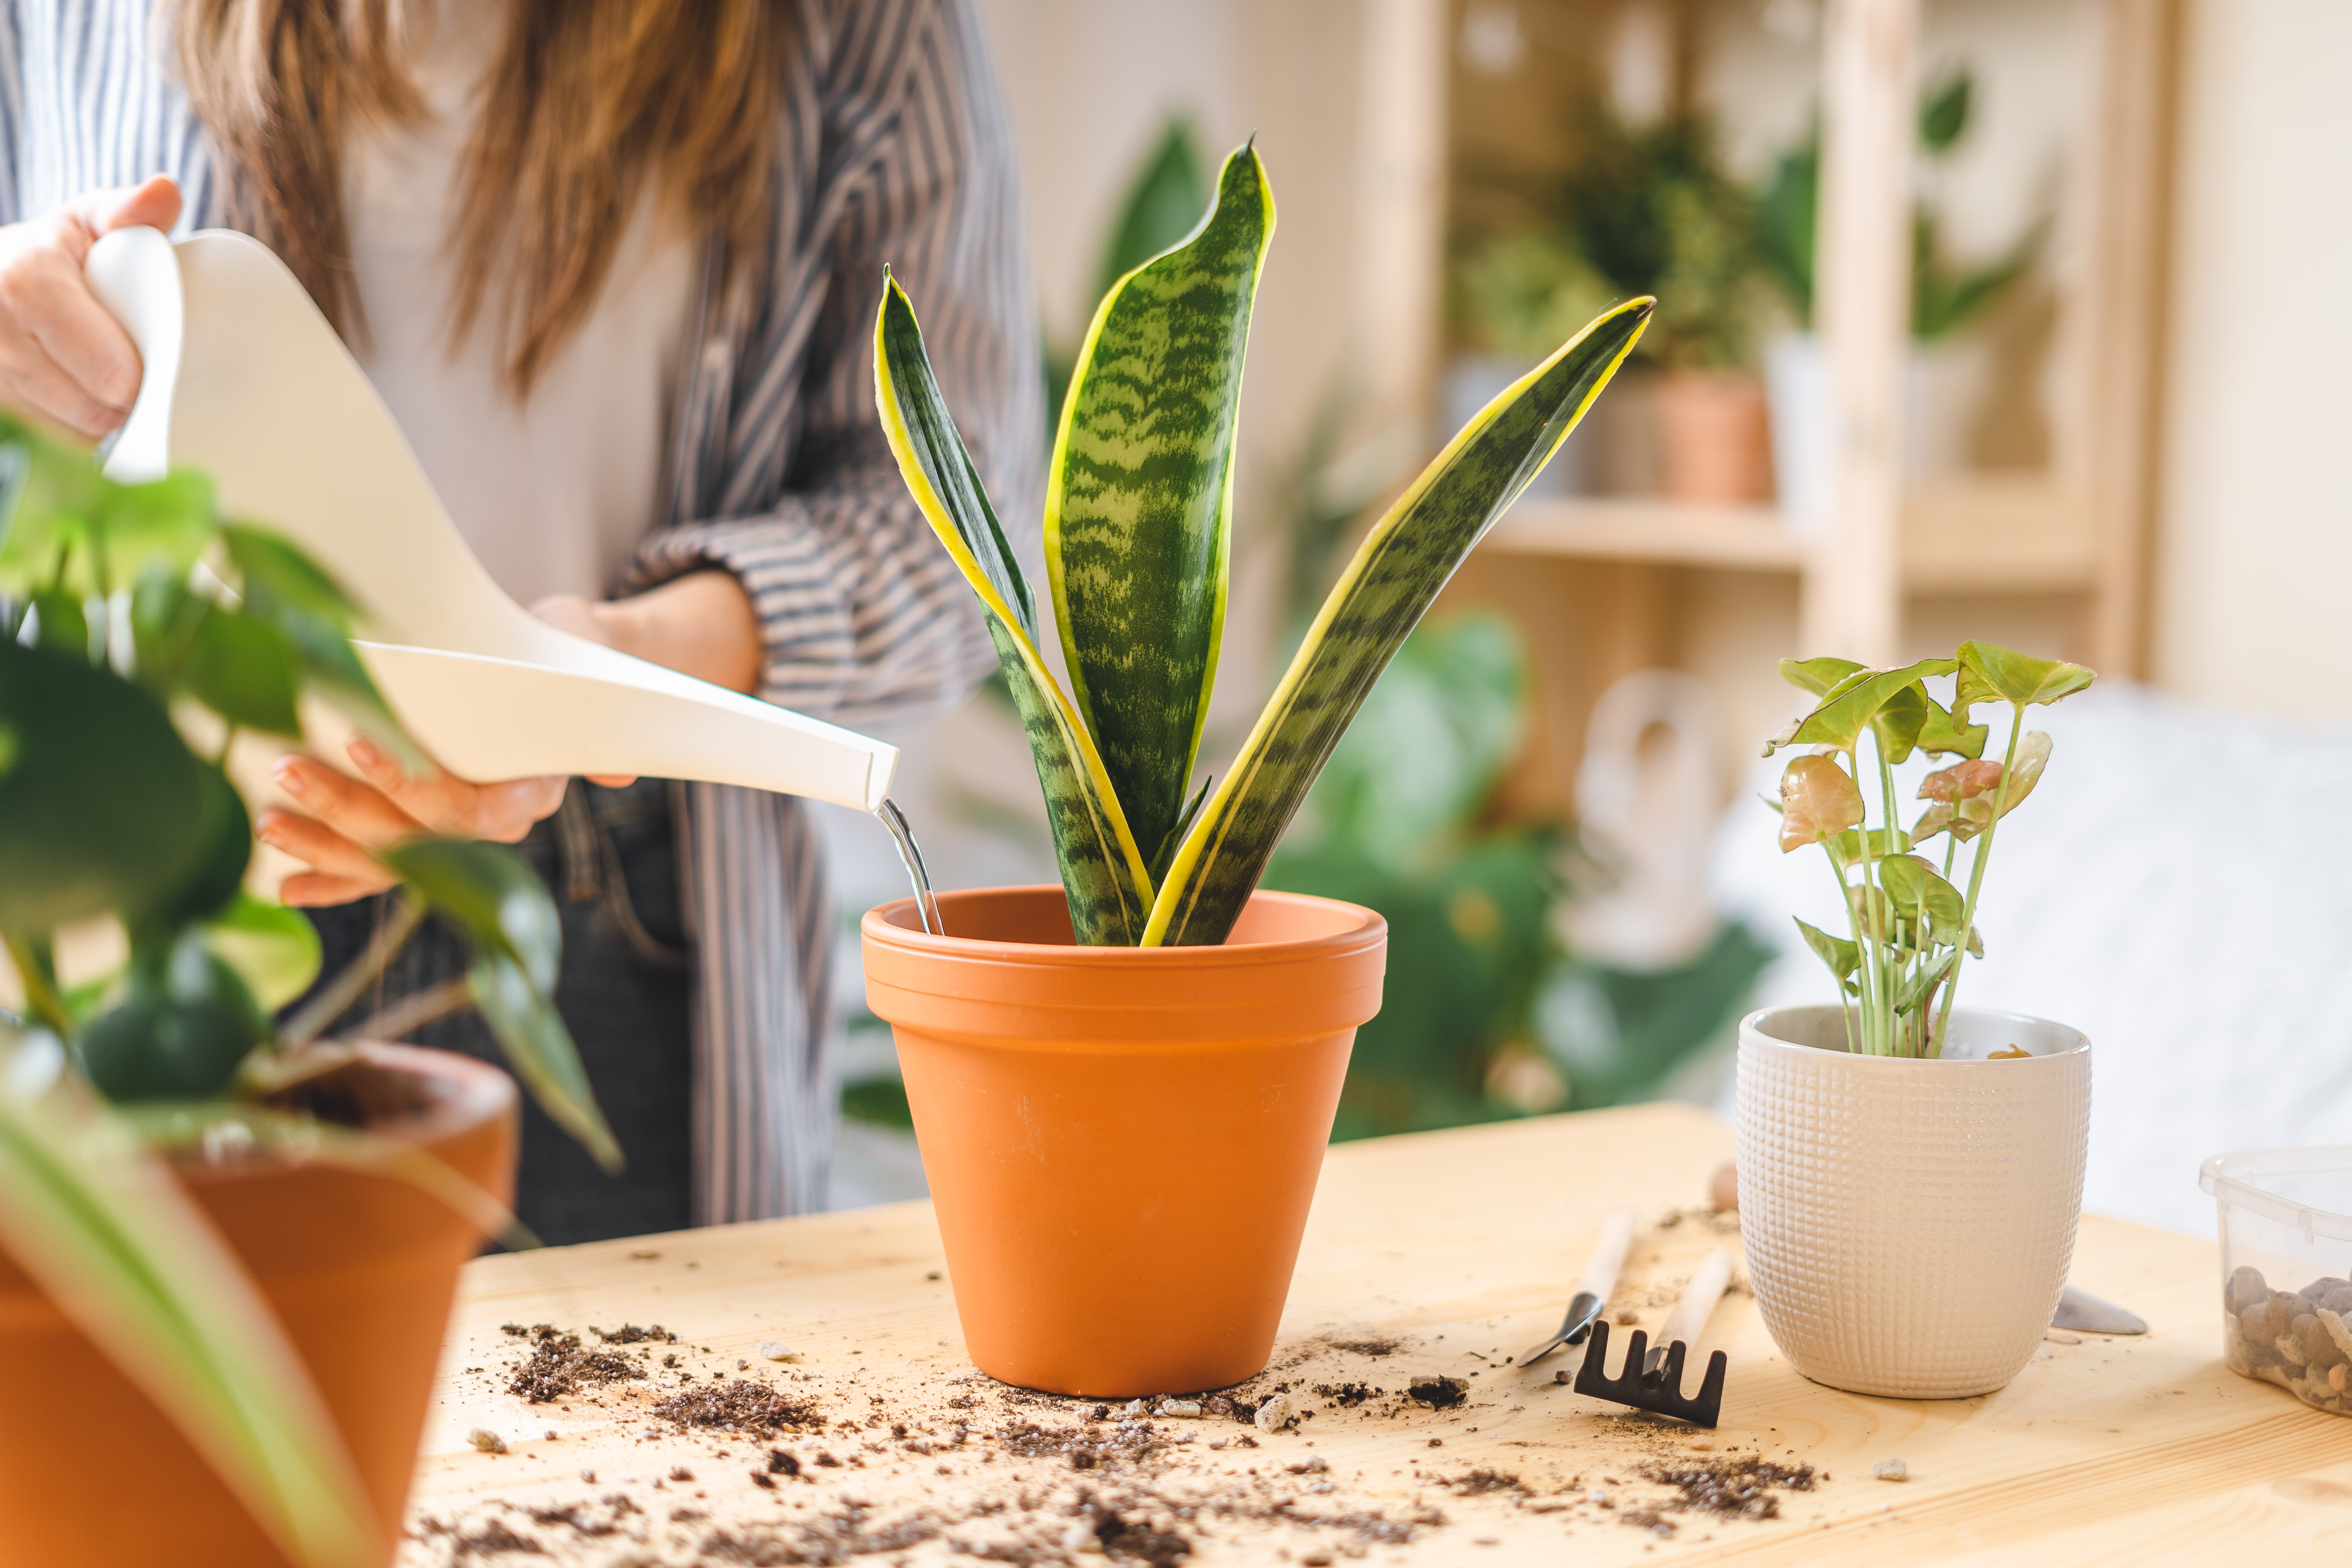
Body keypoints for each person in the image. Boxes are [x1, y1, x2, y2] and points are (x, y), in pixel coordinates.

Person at [0, 0, 1042, 1242]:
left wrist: (628, 658)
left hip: (635, 905)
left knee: (653, 1416)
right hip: (189, 883)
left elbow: (958, 528)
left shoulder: (858, 26)